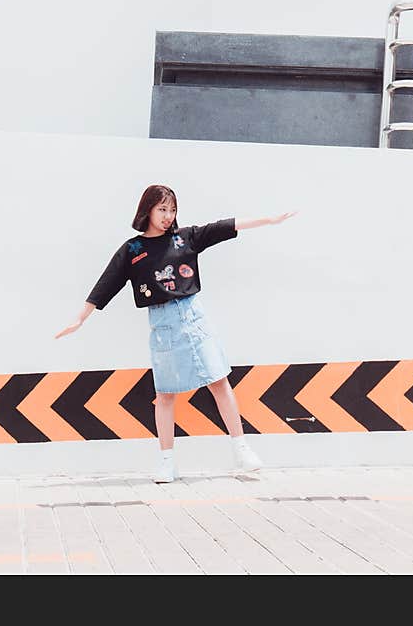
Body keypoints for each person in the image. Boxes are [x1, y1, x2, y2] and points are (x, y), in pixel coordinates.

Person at [55, 185, 296, 482]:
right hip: (163, 324)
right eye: (162, 210)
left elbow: (224, 227)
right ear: (148, 210)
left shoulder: (186, 238)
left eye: (172, 210)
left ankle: (241, 448)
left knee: (219, 381)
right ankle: (167, 462)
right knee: (165, 395)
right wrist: (80, 319)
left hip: (194, 317)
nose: (168, 216)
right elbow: (106, 283)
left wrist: (269, 220)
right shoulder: (133, 250)